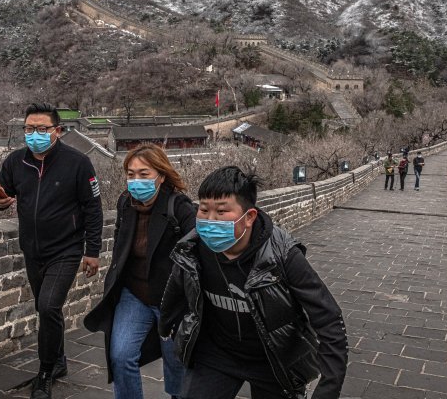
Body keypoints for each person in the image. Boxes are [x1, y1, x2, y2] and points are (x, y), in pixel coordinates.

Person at [159, 166, 348, 399]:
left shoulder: (282, 254)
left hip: (272, 357)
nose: (209, 220)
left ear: (249, 217)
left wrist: (328, 389)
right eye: (204, 210)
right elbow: (176, 286)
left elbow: (329, 319)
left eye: (221, 211)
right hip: (217, 354)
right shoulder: (193, 249)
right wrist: (166, 324)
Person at [0, 103, 103, 399]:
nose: (35, 134)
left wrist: (93, 250)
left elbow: (93, 208)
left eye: (42, 129)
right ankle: (60, 359)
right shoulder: (16, 162)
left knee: (49, 306)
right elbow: (2, 195)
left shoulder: (77, 163)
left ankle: (45, 371)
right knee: (46, 309)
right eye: (29, 128)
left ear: (57, 131)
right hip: (32, 250)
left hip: (66, 249)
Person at [84, 144, 196, 399]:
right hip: (134, 294)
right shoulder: (126, 202)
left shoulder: (179, 207)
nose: (136, 180)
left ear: (161, 174)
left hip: (171, 299)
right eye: (131, 174)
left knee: (176, 363)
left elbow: (196, 253)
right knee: (120, 356)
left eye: (144, 174)